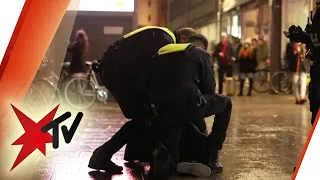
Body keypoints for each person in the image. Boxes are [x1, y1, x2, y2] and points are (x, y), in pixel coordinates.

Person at [88, 26, 197, 172]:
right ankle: (101, 156)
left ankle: (132, 153)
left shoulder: (162, 34)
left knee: (142, 118)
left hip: (114, 69)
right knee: (142, 118)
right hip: (117, 72)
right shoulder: (165, 41)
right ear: (183, 39)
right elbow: (150, 72)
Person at [148, 43, 232, 179]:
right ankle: (211, 156)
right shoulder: (200, 53)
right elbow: (209, 87)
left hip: (161, 107)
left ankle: (167, 159)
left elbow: (145, 84)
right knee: (226, 103)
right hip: (188, 102)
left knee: (175, 127)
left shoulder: (157, 54)